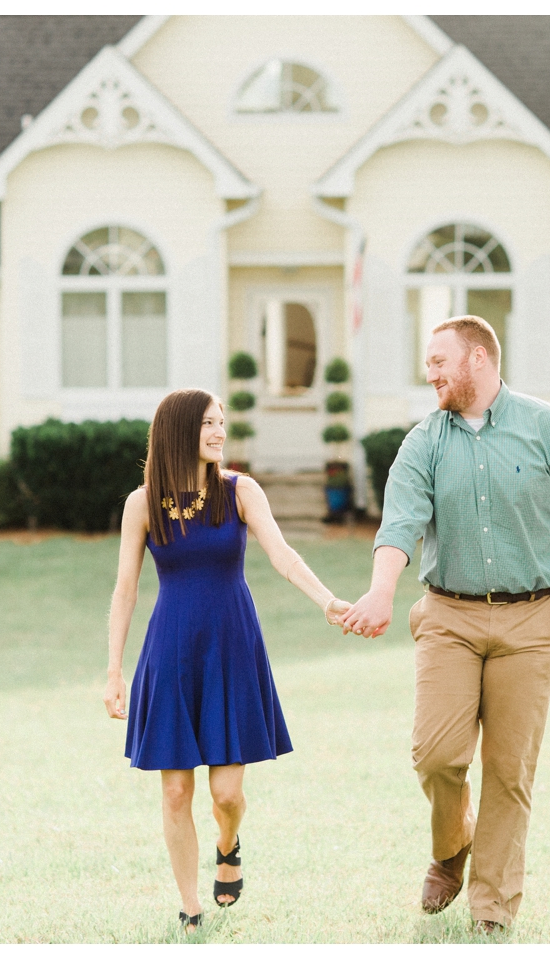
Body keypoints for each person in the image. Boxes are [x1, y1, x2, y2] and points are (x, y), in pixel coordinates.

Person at [339, 315, 550, 933]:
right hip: (448, 616)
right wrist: (380, 593)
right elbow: (399, 525)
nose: (429, 373)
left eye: (438, 362)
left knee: (509, 773)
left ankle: (493, 910)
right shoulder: (424, 442)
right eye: (428, 363)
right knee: (436, 756)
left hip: (534, 621)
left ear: (478, 359)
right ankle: (451, 846)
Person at [104, 388, 351, 933]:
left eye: (223, 422)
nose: (219, 432)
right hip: (170, 653)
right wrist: (114, 671)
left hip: (231, 647)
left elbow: (282, 554)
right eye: (208, 424)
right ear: (178, 431)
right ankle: (190, 906)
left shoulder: (241, 491)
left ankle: (228, 840)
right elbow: (125, 590)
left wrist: (328, 601)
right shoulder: (142, 503)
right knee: (174, 790)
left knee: (228, 792)